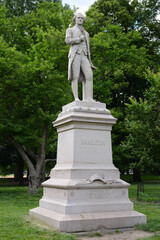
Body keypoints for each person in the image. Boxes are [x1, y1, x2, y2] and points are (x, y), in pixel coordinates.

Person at [65, 13, 96, 102]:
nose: (80, 19)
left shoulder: (86, 33)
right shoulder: (70, 30)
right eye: (78, 18)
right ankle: (76, 98)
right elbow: (67, 40)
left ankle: (88, 98)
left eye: (82, 18)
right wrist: (78, 39)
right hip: (75, 54)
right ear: (75, 19)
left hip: (84, 55)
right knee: (75, 76)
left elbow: (88, 46)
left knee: (89, 75)